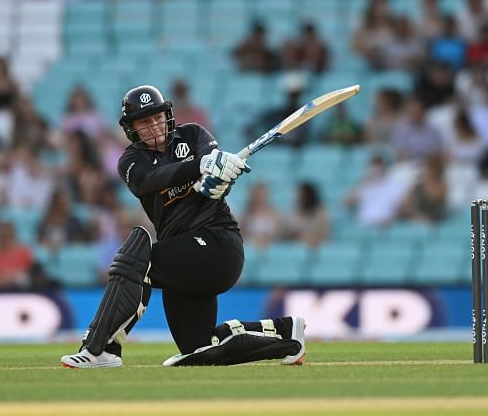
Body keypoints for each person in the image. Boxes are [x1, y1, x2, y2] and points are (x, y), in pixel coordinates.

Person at [60, 85, 305, 368]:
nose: (153, 126)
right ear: (132, 130)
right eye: (144, 121)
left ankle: (102, 348)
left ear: (167, 115)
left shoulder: (194, 135)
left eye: (156, 117)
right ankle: (286, 334)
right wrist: (201, 166)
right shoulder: (130, 161)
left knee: (140, 254)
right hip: (184, 259)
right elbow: (148, 180)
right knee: (200, 351)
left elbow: (214, 183)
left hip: (218, 246)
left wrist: (220, 178)